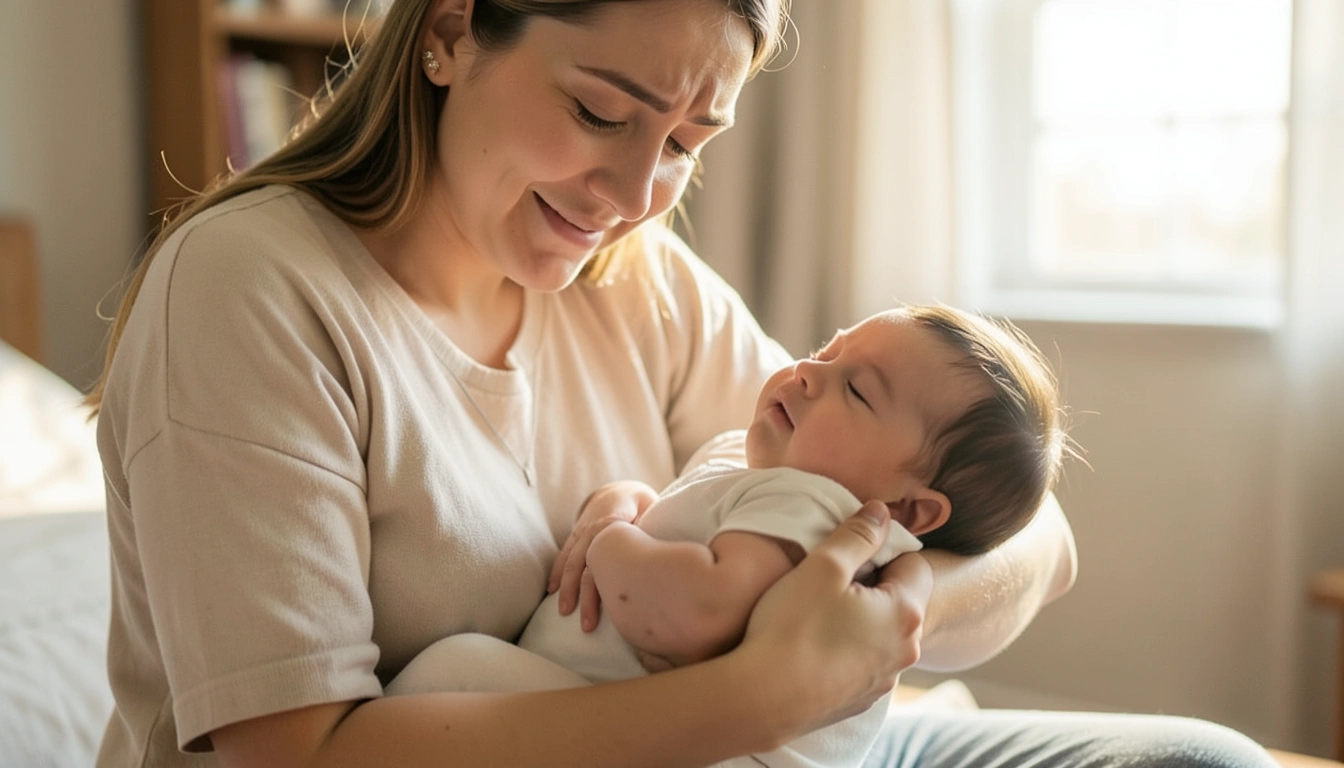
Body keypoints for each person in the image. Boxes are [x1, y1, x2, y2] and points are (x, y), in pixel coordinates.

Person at [85, 0, 1279, 766]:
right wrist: (759, 696)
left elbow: (1036, 540)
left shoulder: (627, 274)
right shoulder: (256, 288)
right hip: (702, 739)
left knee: (1200, 763)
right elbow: (291, 756)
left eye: (690, 143)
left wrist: (872, 620)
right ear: (449, 29)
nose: (634, 190)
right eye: (600, 110)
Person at [388, 304, 1072, 768]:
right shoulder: (783, 473)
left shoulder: (813, 502)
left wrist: (613, 537)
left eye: (857, 391)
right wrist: (637, 497)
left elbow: (700, 611)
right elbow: (712, 527)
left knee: (451, 673)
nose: (808, 371)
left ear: (913, 511)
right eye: (825, 351)